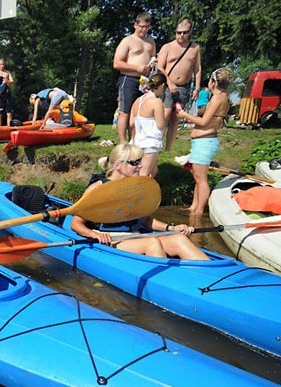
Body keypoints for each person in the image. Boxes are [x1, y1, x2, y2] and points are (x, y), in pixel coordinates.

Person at [70, 143, 208, 261]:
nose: (140, 166)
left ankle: (215, 276)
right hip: (111, 239)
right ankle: (167, 282)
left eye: (140, 161)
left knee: (179, 239)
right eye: (134, 163)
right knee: (152, 243)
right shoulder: (97, 189)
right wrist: (95, 235)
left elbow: (144, 221)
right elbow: (76, 224)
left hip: (135, 236)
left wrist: (171, 228)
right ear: (118, 165)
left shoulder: (136, 188)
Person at [177, 67, 232, 215]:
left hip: (204, 142)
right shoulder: (223, 98)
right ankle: (193, 207)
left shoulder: (216, 98)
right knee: (198, 177)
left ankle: (199, 211)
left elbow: (203, 122)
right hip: (204, 141)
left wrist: (184, 115)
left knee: (201, 179)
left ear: (213, 82)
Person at [156, 18, 202, 151]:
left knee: (176, 118)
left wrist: (197, 88)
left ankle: (168, 148)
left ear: (190, 32)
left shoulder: (195, 48)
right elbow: (160, 67)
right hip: (167, 84)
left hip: (184, 86)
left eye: (185, 32)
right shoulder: (167, 46)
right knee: (164, 115)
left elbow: (197, 69)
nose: (181, 35)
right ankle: (157, 144)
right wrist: (169, 82)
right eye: (178, 32)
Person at [113, 12, 156, 144]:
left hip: (144, 81)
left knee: (138, 112)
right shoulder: (128, 41)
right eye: (142, 26)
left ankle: (134, 140)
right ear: (135, 25)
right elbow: (117, 63)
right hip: (128, 78)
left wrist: (151, 68)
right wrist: (136, 68)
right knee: (125, 111)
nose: (144, 29)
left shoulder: (151, 42)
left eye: (147, 27)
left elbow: (153, 60)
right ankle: (122, 142)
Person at [129, 73, 167, 177]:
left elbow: (131, 123)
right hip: (151, 142)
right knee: (143, 174)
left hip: (138, 142)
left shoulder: (137, 100)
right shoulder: (157, 102)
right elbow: (160, 125)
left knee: (153, 171)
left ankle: (150, 192)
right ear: (162, 85)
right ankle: (140, 193)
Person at [0, 57, 14, 126]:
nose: (2, 66)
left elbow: (12, 82)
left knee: (9, 112)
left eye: (3, 64)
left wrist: (7, 81)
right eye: (1, 64)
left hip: (7, 93)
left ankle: (9, 127)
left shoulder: (7, 72)